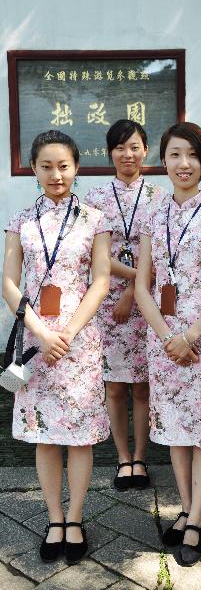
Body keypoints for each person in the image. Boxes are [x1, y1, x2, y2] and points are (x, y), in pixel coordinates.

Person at [2, 130, 111, 565]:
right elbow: (10, 284)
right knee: (45, 439)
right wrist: (43, 334)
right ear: (33, 169)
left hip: (79, 345)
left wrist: (67, 332)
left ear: (77, 167)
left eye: (63, 165)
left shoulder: (95, 219)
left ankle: (77, 517)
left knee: (80, 440)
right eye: (46, 166)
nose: (56, 174)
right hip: (35, 342)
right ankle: (53, 518)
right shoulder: (21, 221)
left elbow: (101, 280)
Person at [135, 122, 201, 566]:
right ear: (164, 160)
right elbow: (142, 286)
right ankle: (184, 505)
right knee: (176, 430)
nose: (183, 164)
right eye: (174, 154)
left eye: (192, 155)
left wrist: (190, 336)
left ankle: (195, 517)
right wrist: (166, 338)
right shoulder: (153, 214)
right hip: (164, 339)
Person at [85, 120, 166, 490]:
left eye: (134, 146)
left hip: (148, 302)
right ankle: (122, 458)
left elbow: (164, 254)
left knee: (143, 386)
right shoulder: (96, 199)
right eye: (119, 147)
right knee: (115, 386)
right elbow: (94, 252)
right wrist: (131, 280)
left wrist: (134, 288)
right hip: (107, 301)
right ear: (110, 153)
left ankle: (141, 458)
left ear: (145, 150)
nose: (127, 154)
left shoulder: (161, 197)